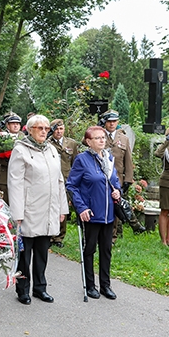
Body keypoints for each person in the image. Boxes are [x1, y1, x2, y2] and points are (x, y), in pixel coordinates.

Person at [8, 115, 68, 305]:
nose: (44, 131)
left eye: (45, 128)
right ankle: (23, 289)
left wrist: (62, 208)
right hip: (29, 210)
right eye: (39, 128)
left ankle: (40, 288)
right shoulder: (21, 150)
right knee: (25, 255)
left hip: (48, 210)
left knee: (42, 251)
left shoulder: (51, 149)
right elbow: (15, 184)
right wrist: (17, 214)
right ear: (29, 129)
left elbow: (59, 181)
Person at [66, 125, 122, 300]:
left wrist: (118, 191)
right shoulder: (82, 160)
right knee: (89, 250)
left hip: (108, 214)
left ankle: (106, 285)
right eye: (97, 138)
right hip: (91, 214)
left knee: (106, 250)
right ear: (88, 141)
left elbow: (115, 181)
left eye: (103, 137)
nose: (102, 140)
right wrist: (81, 208)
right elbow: (71, 185)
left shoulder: (109, 158)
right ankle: (90, 285)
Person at [100, 110, 145, 239]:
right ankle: (107, 233)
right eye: (109, 121)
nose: (111, 124)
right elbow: (85, 141)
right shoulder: (99, 135)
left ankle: (113, 235)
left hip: (117, 178)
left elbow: (128, 160)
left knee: (116, 206)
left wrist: (128, 180)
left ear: (118, 122)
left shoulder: (123, 139)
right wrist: (98, 127)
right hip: (101, 177)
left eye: (114, 121)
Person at [48, 119, 80, 247]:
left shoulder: (71, 144)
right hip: (51, 179)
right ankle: (50, 235)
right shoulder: (47, 143)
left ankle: (59, 237)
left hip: (66, 180)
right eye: (56, 129)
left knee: (63, 208)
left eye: (61, 129)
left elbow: (75, 163)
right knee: (51, 207)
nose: (59, 131)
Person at [0, 113, 22, 204]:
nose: (15, 125)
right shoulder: (1, 137)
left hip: (20, 175)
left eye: (17, 123)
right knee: (5, 201)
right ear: (7, 125)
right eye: (13, 123)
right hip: (5, 175)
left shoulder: (24, 137)